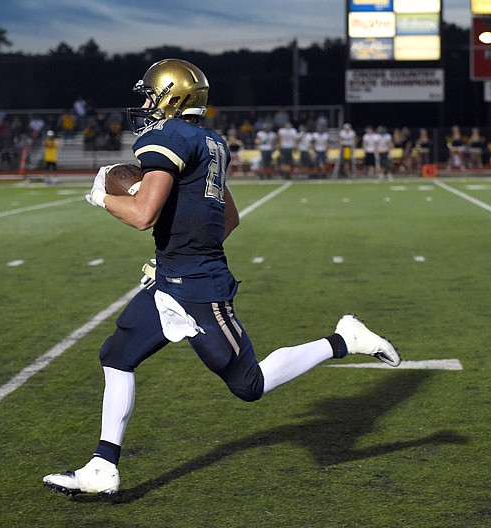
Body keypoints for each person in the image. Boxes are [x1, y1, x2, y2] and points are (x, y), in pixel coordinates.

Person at [42, 59, 401, 496]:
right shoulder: (210, 142)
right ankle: (103, 466)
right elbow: (228, 218)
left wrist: (102, 197)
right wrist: (175, 255)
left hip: (196, 287)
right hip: (174, 277)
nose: (144, 104)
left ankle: (345, 339)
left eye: (150, 95)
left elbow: (142, 216)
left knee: (250, 385)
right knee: (116, 355)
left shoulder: (167, 136)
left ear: (172, 98)